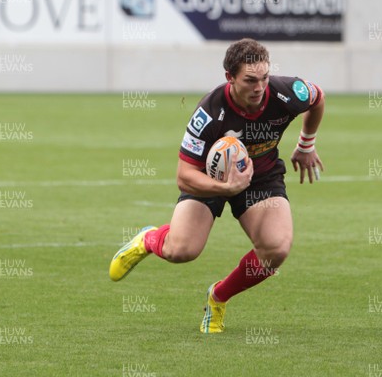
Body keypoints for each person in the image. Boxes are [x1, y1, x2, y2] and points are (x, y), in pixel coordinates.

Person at [108, 38, 325, 333]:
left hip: (260, 178)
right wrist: (223, 189)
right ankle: (149, 239)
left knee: (276, 250)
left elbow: (318, 98)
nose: (259, 87)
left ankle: (218, 298)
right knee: (182, 251)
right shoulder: (209, 112)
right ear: (230, 78)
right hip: (209, 179)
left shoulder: (287, 93)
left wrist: (306, 144)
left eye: (263, 78)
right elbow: (184, 175)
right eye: (249, 80)